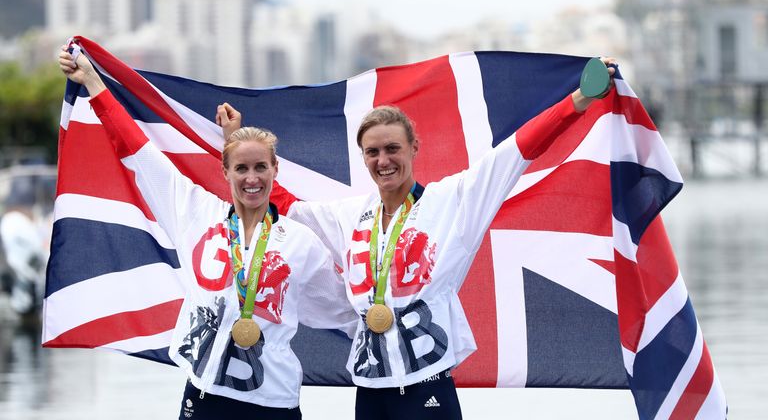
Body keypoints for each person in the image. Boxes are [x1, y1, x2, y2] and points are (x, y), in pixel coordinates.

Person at [220, 57, 616, 420]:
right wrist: (235, 138)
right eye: (372, 152)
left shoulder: (453, 202)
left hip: (427, 389)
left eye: (393, 148)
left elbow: (516, 151)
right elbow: (279, 199)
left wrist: (579, 99)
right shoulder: (348, 216)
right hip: (369, 389)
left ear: (414, 148)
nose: (383, 160)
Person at [58, 44, 356, 420]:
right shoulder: (195, 211)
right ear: (225, 171)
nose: (252, 178)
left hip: (273, 401)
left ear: (275, 170)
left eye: (260, 167)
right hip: (203, 394)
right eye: (241, 168)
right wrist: (92, 82)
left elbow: (347, 309)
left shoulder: (301, 243)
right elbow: (136, 149)